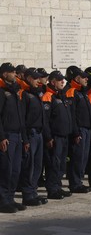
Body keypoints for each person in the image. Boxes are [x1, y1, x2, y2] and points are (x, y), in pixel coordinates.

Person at [42, 70, 73, 199]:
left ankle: (58, 186)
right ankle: (52, 189)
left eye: (63, 80)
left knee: (61, 164)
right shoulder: (48, 96)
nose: (63, 82)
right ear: (53, 81)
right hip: (55, 137)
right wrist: (49, 137)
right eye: (60, 80)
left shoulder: (60, 95)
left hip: (64, 136)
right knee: (53, 164)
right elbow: (46, 120)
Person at [0, 63, 26, 213]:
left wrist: (24, 138)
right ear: (4, 74)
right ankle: (3, 200)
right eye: (11, 71)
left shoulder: (15, 91)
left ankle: (10, 198)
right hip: (7, 135)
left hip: (17, 135)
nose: (15, 73)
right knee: (6, 169)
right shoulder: (2, 92)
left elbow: (20, 117)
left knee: (15, 169)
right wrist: (1, 137)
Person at [20, 68, 48, 206]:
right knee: (29, 166)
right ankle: (27, 194)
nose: (38, 81)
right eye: (36, 78)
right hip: (30, 134)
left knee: (37, 165)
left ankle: (33, 192)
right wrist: (24, 139)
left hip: (39, 133)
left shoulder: (37, 94)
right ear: (29, 78)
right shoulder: (25, 94)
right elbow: (22, 119)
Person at [65, 66, 91, 193]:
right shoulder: (71, 92)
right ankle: (75, 183)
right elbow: (72, 115)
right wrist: (76, 132)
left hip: (87, 129)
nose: (86, 78)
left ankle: (79, 181)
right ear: (77, 78)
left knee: (83, 157)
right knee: (77, 157)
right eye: (83, 77)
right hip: (80, 130)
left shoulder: (82, 92)